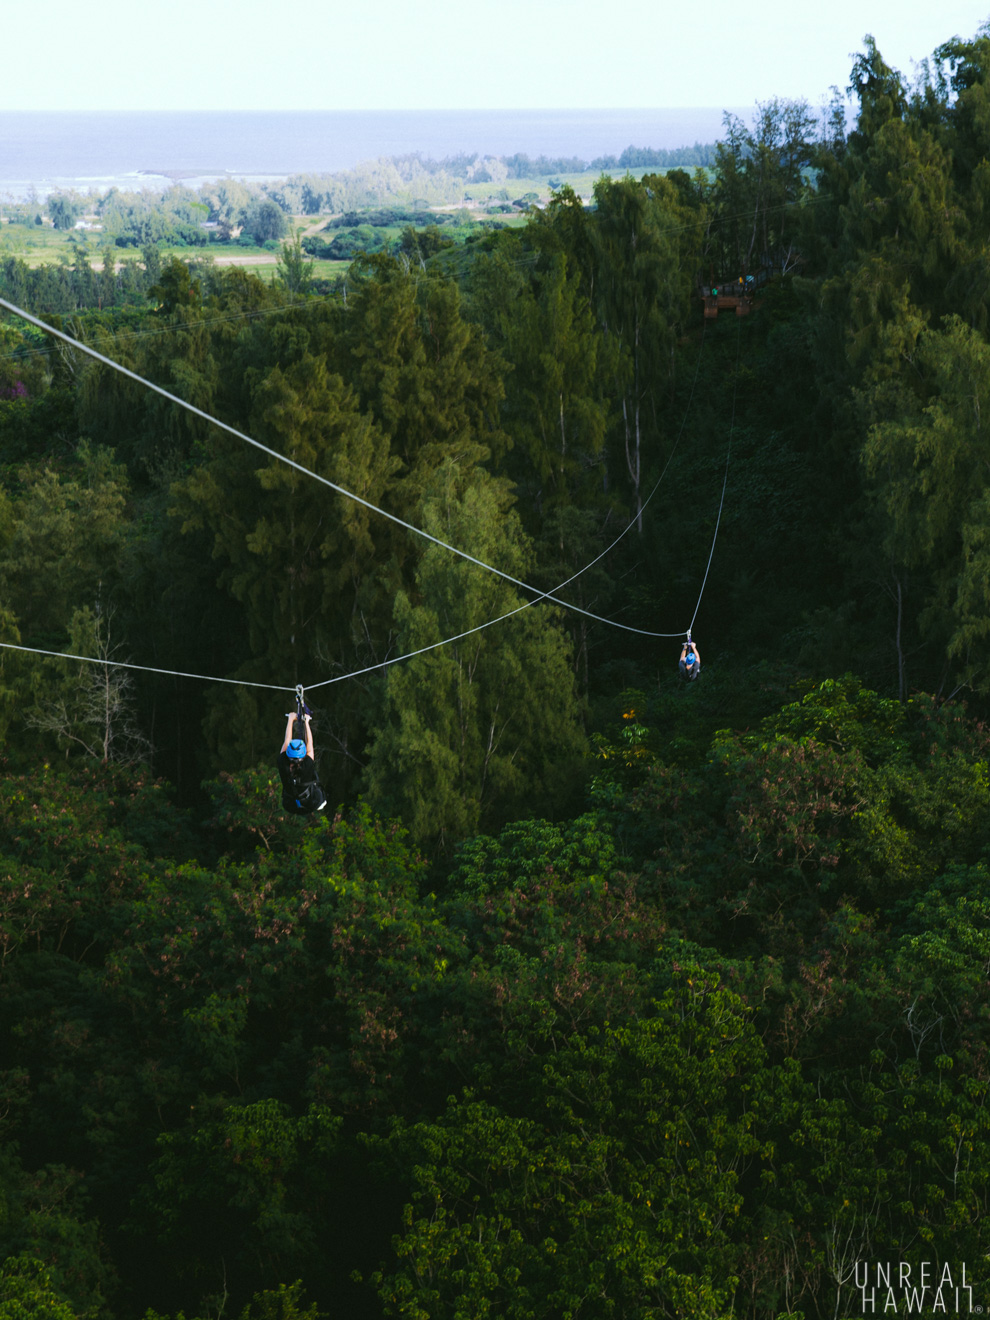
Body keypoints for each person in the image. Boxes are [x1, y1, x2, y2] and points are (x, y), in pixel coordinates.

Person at [277, 707, 328, 814]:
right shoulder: (307, 765)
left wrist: (290, 719)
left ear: (288, 753)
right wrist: (307, 722)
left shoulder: (282, 762)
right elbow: (310, 743)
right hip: (310, 803)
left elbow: (287, 740)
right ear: (303, 754)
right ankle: (320, 803)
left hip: (290, 805)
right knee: (318, 790)